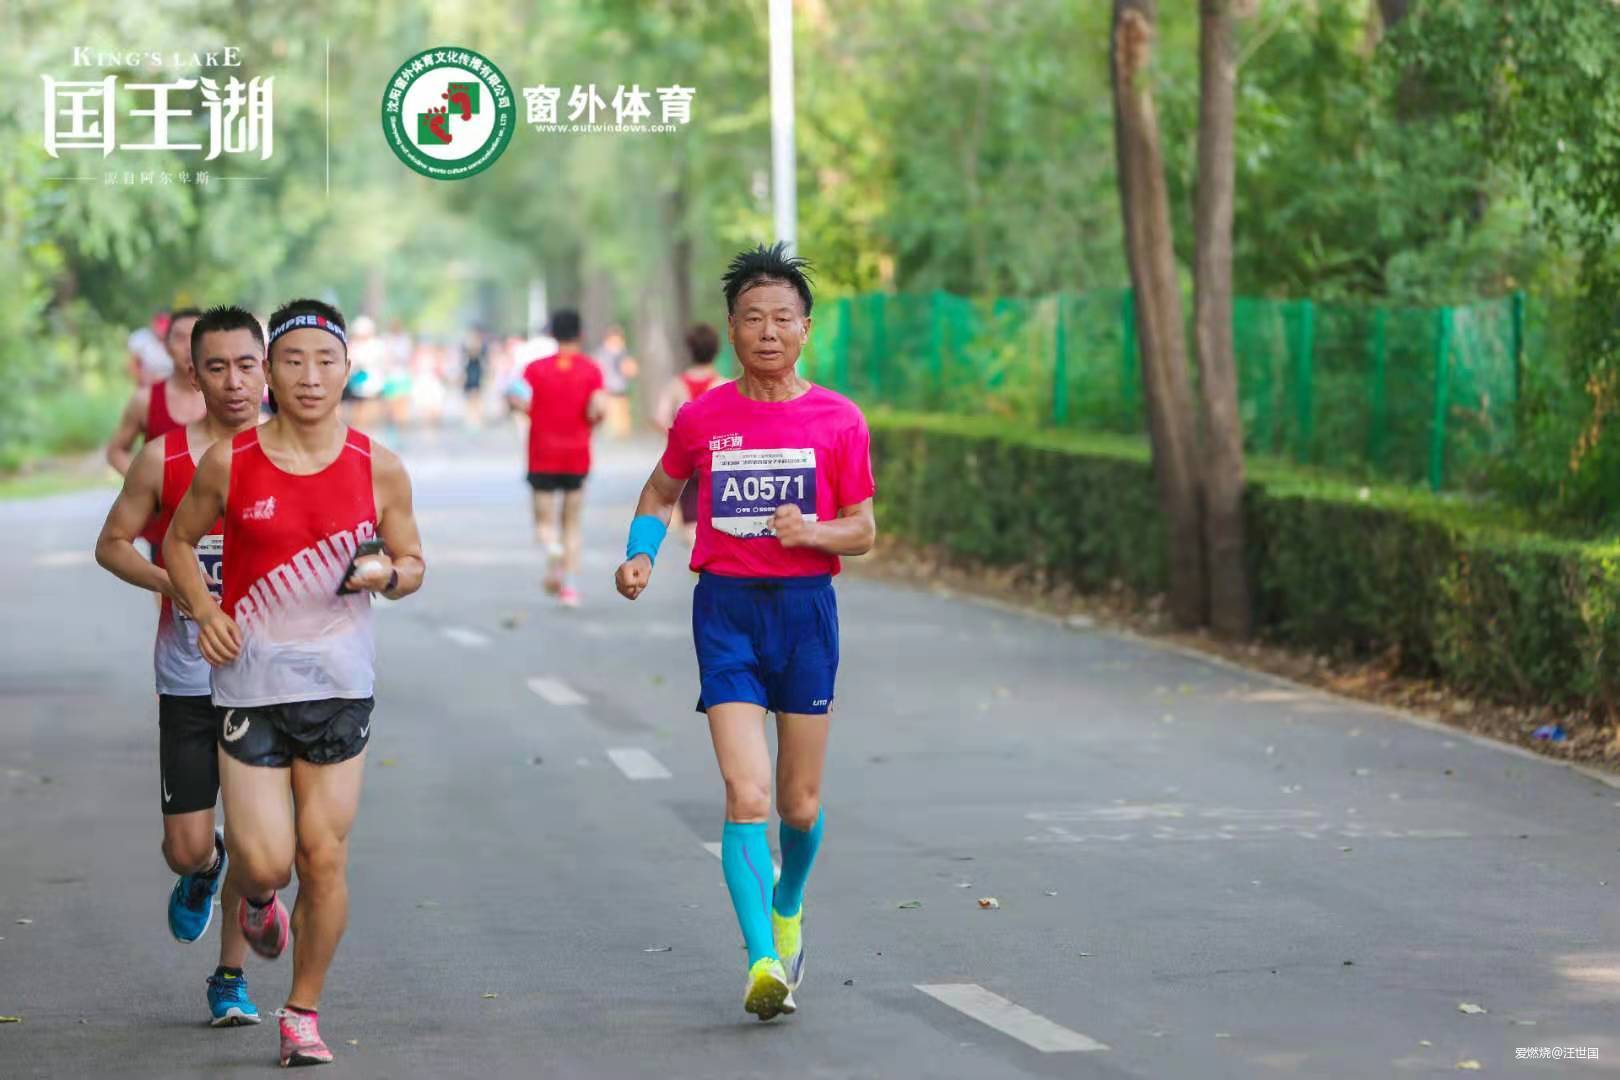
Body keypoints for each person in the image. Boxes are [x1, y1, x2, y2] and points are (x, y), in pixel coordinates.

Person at [615, 244, 876, 1022]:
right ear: (731, 328)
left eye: (783, 318)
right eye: (753, 317)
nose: (768, 331)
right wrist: (640, 552)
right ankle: (763, 960)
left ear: (805, 329)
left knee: (799, 804)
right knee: (746, 793)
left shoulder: (839, 419)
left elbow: (863, 529)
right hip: (725, 612)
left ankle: (788, 905)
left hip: (806, 616)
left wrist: (813, 532)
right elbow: (659, 492)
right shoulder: (702, 417)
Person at [165, 298, 426, 1068]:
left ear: (348, 371)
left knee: (323, 856)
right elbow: (179, 543)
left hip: (340, 687)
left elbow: (413, 562)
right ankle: (254, 899)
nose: (310, 377)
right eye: (293, 361)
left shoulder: (378, 465)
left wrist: (388, 574)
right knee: (269, 864)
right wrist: (205, 608)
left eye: (325, 361)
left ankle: (302, 1013)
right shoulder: (231, 462)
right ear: (271, 375)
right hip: (249, 687)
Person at [93, 305, 270, 1026]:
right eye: (216, 367)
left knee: (261, 844)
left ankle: (230, 977)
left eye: (246, 365)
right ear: (193, 374)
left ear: (266, 369)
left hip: (271, 683)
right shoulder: (163, 458)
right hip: (190, 676)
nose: (234, 382)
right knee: (187, 847)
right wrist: (176, 584)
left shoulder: (296, 454)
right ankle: (204, 868)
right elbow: (112, 544)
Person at [507, 310, 607, 607]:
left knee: (544, 522)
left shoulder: (534, 369)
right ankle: (570, 588)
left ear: (552, 334)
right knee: (572, 524)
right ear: (581, 334)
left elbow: (517, 400)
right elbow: (598, 409)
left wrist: (527, 410)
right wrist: (593, 419)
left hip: (542, 455)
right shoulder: (592, 370)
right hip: (577, 456)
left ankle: (552, 549)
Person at [107, 307, 206, 475]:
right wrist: (143, 482)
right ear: (166, 346)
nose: (189, 346)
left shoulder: (226, 396)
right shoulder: (145, 400)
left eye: (196, 337)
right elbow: (116, 451)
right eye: (180, 338)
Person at [654, 324, 727, 547]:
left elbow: (659, 417)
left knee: (690, 519)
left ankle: (695, 551)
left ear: (690, 350)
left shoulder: (677, 385)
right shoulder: (723, 385)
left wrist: (678, 439)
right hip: (717, 459)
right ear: (716, 351)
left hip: (687, 459)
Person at [594, 325, 638, 438]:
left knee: (622, 429)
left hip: (621, 391)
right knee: (609, 427)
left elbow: (631, 371)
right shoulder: (601, 354)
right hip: (607, 392)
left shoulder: (623, 354)